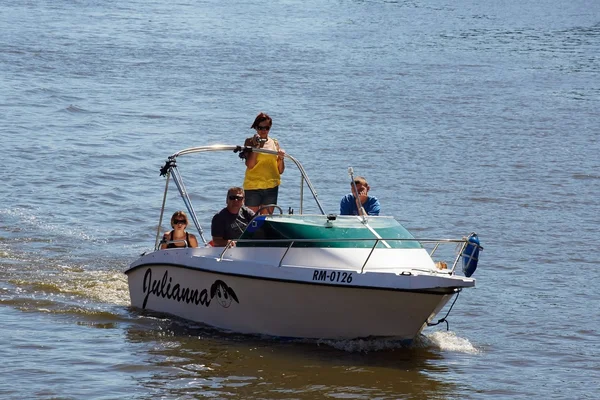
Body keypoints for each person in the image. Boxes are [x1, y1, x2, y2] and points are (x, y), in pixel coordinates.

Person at [242, 112, 286, 214]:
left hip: (271, 186)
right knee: (251, 219)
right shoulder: (249, 142)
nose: (263, 131)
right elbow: (250, 165)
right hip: (253, 186)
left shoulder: (274, 143)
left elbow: (280, 170)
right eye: (260, 128)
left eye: (266, 128)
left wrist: (281, 158)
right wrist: (257, 146)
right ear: (256, 127)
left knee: (265, 220)